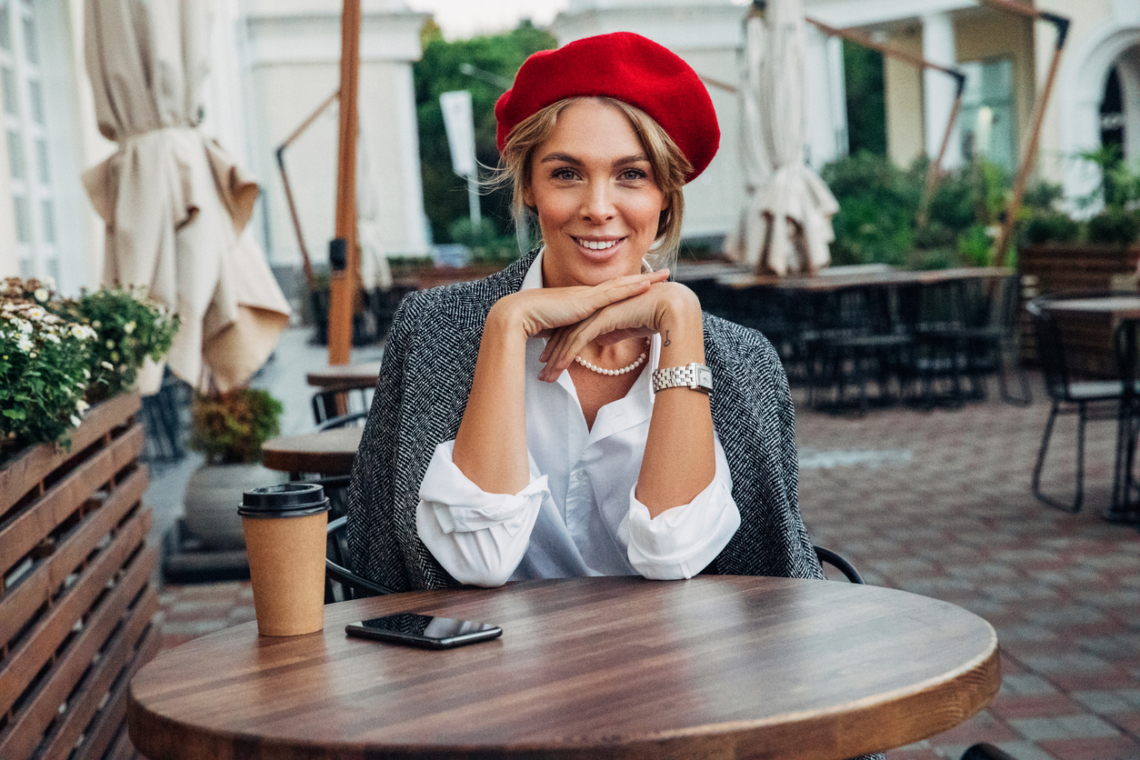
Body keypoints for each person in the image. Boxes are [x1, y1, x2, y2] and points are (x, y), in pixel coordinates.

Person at [348, 31, 822, 595]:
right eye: (566, 173)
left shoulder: (742, 359)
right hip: (486, 673)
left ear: (665, 194)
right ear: (528, 186)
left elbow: (673, 555)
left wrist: (680, 318)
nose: (599, 208)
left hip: (683, 671)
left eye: (632, 175)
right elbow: (477, 561)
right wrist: (506, 325)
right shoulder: (433, 327)